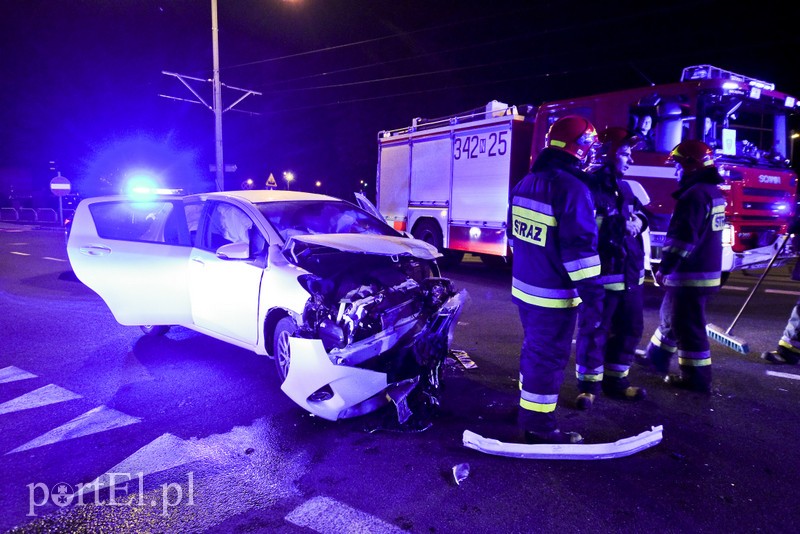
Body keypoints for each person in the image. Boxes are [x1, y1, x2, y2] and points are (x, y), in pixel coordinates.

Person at [507, 115, 603, 444]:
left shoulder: (525, 183)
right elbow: (580, 252)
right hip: (554, 295)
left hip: (525, 290)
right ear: (580, 149)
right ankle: (538, 427)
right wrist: (594, 295)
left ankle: (525, 409)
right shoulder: (572, 188)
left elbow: (513, 238)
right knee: (547, 357)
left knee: (533, 350)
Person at [573, 127, 648, 410]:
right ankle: (588, 388)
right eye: (625, 153)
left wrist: (639, 222)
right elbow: (583, 231)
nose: (630, 159)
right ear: (607, 154)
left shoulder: (625, 187)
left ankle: (617, 381)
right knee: (595, 331)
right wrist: (618, 225)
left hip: (629, 276)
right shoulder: (586, 188)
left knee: (630, 328)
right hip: (601, 277)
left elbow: (642, 214)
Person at [642, 140, 725, 392]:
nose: (675, 171)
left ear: (691, 166)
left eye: (678, 165)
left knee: (689, 328)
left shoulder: (694, 195)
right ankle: (655, 358)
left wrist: (665, 266)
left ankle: (696, 378)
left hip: (691, 274)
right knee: (671, 316)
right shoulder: (711, 192)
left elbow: (682, 239)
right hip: (703, 271)